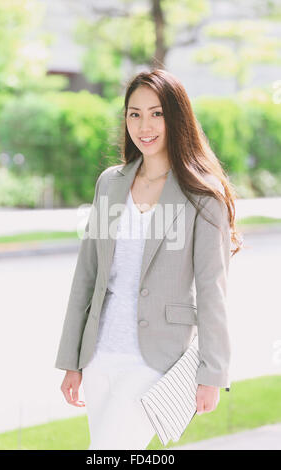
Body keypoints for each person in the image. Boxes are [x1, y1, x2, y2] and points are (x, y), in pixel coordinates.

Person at [54, 69, 242, 450]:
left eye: (157, 113)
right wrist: (71, 359)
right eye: (134, 113)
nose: (145, 125)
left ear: (177, 118)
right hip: (98, 355)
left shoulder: (203, 195)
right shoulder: (110, 183)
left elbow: (212, 291)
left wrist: (213, 371)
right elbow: (86, 275)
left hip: (156, 360)